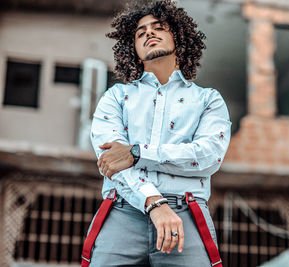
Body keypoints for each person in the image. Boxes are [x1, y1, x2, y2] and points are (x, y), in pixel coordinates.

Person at [86, 0, 231, 266]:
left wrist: (137, 153)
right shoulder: (115, 97)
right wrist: (154, 203)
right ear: (134, 50)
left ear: (178, 36)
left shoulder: (208, 100)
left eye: (158, 28)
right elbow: (112, 162)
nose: (149, 33)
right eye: (140, 33)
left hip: (187, 214)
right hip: (122, 211)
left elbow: (208, 156)